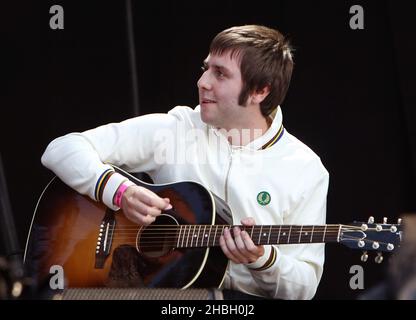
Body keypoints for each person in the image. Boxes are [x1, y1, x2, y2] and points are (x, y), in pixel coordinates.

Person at [41, 25, 329, 300]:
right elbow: (62, 148)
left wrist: (262, 259)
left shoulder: (304, 168)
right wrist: (120, 192)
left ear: (260, 91)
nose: (202, 82)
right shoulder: (174, 130)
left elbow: (305, 287)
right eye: (206, 69)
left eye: (220, 74)